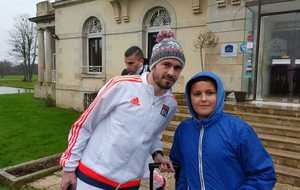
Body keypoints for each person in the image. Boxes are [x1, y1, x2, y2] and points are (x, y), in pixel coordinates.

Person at [60, 29, 185, 190]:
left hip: (130, 184)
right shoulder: (121, 85)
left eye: (177, 67)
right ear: (154, 64)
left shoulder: (171, 104)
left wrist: (158, 154)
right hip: (93, 179)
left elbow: (153, 134)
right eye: (166, 65)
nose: (171, 72)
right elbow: (84, 125)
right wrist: (69, 168)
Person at [169, 71, 276, 190]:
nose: (203, 99)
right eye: (197, 94)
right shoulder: (184, 130)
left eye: (210, 93)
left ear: (219, 95)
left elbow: (263, 174)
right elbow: (181, 167)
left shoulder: (239, 130)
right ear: (189, 97)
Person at [121, 46, 166, 190]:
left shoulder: (152, 76)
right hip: (131, 123)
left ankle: (157, 181)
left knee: (140, 159)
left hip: (148, 125)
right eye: (126, 63)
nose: (127, 67)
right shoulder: (127, 75)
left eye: (131, 63)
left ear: (140, 61)